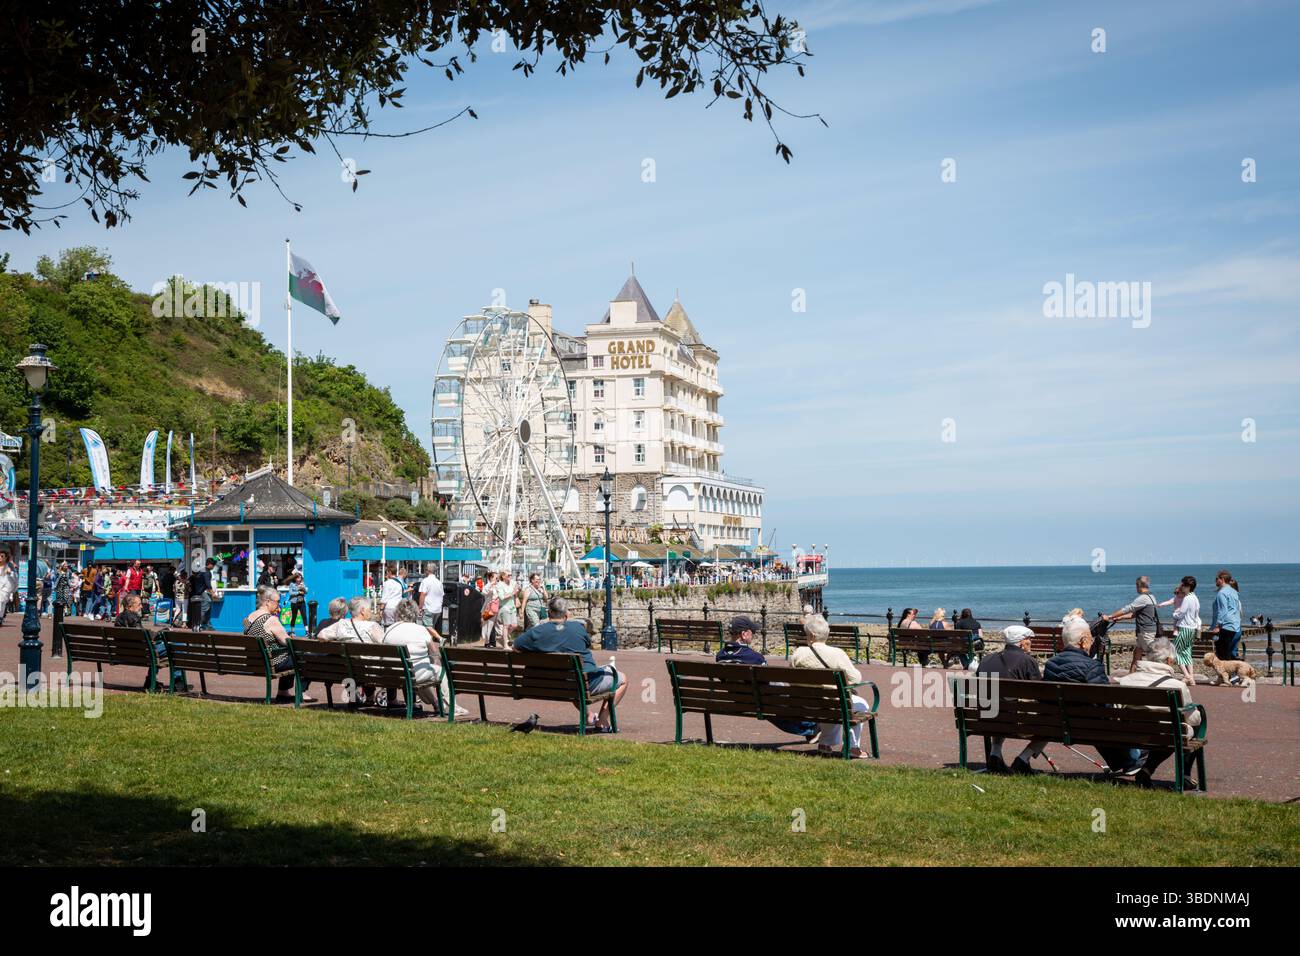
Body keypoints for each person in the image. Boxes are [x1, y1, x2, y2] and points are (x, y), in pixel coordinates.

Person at [1044, 617, 1144, 777]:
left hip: (1060, 725)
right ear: (1083, 641)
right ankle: (1133, 757)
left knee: (1095, 718)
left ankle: (1125, 762)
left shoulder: (1051, 664)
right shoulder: (1092, 666)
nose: (1092, 643)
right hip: (1089, 726)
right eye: (1091, 639)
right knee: (1106, 718)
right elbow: (1106, 705)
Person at [515, 597, 626, 731]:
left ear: (549, 613)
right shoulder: (577, 628)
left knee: (572, 679)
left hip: (554, 685)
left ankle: (589, 716)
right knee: (623, 679)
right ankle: (602, 721)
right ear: (567, 614)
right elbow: (587, 644)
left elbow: (516, 645)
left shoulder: (537, 631)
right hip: (580, 684)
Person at [1114, 636, 1203, 788]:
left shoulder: (1126, 681)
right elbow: (1193, 719)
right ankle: (1184, 775)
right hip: (1164, 734)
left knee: (1168, 731)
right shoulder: (1177, 686)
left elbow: (1116, 709)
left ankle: (1147, 770)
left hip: (1130, 733)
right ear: (1169, 661)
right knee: (1187, 728)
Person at [717, 614, 820, 743]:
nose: (753, 634)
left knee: (770, 707)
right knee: (781, 700)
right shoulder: (754, 657)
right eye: (752, 632)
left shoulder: (720, 656)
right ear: (744, 634)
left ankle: (811, 730)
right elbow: (766, 683)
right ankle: (811, 728)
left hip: (738, 700)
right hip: (760, 700)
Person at [791, 614, 872, 758]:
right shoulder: (837, 653)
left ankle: (825, 744)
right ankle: (852, 747)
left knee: (832, 701)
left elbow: (792, 679)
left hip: (805, 704)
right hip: (831, 703)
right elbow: (856, 678)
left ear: (811, 635)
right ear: (826, 634)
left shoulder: (798, 653)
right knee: (859, 704)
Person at [975, 625, 1042, 773]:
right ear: (1022, 642)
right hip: (1014, 722)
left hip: (985, 719)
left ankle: (995, 754)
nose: (1031, 642)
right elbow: (1040, 693)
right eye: (1029, 639)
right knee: (1053, 721)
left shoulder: (986, 659)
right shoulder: (1027, 661)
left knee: (999, 707)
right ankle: (1023, 759)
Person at [381, 598, 459, 715]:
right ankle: (451, 705)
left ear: (397, 613)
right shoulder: (421, 630)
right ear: (415, 613)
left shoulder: (388, 630)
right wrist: (434, 662)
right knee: (436, 670)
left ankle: (436, 703)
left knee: (418, 668)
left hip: (393, 674)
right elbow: (435, 654)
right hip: (414, 674)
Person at [244, 584, 311, 702]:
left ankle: (283, 692)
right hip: (272, 663)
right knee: (302, 656)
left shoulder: (248, 618)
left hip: (255, 662)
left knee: (289, 655)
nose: (279, 605)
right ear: (268, 602)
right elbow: (288, 642)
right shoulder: (271, 620)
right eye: (277, 602)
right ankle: (302, 692)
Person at [1103, 575, 1160, 669]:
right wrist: (1121, 617)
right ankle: (1131, 674)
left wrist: (1110, 616)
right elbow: (1135, 614)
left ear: (1138, 585)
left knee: (1153, 657)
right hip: (1145, 631)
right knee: (1137, 654)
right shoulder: (1151, 597)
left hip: (1145, 632)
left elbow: (1128, 608)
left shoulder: (1143, 598)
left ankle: (1158, 677)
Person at [1158, 576, 1200, 685]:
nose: (1181, 587)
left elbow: (1181, 613)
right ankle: (1191, 678)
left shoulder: (1187, 598)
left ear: (1188, 586)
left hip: (1185, 627)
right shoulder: (1195, 597)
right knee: (1187, 652)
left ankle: (1187, 676)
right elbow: (1196, 614)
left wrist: (1174, 614)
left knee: (1176, 652)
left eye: (1182, 585)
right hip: (1192, 628)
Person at [1208, 569, 1242, 661]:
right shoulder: (1234, 591)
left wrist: (1218, 625)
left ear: (1222, 579)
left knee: (1222, 654)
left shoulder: (1222, 593)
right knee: (1228, 652)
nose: (1215, 581)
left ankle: (1226, 674)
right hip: (1234, 625)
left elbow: (1223, 610)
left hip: (1225, 626)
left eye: (1216, 579)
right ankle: (1231, 674)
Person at [318, 596, 384, 643]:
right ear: (363, 610)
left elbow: (321, 635)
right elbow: (385, 643)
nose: (371, 612)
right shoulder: (372, 626)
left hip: (347, 661)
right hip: (367, 662)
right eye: (369, 609)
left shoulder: (341, 624)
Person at [493, 569, 519, 648]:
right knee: (506, 625)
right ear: (503, 576)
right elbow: (502, 597)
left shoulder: (512, 583)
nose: (510, 577)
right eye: (508, 575)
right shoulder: (500, 585)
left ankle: (502, 638)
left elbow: (517, 590)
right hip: (504, 607)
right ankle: (505, 645)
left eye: (511, 575)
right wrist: (512, 593)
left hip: (512, 607)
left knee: (514, 625)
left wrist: (517, 591)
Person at [50, 561, 71, 656]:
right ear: (62, 566)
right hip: (59, 588)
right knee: (59, 601)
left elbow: (68, 581)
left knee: (66, 599)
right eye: (65, 565)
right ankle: (60, 612)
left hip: (65, 588)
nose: (66, 566)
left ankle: (65, 610)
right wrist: (55, 586)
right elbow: (56, 580)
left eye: (67, 565)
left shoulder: (68, 573)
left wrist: (70, 586)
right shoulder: (58, 572)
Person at [417, 562, 444, 630]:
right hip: (437, 609)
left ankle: (439, 639)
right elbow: (442, 595)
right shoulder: (439, 582)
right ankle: (432, 639)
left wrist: (420, 607)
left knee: (428, 628)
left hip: (428, 608)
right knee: (432, 628)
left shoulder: (425, 581)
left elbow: (423, 594)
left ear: (428, 571)